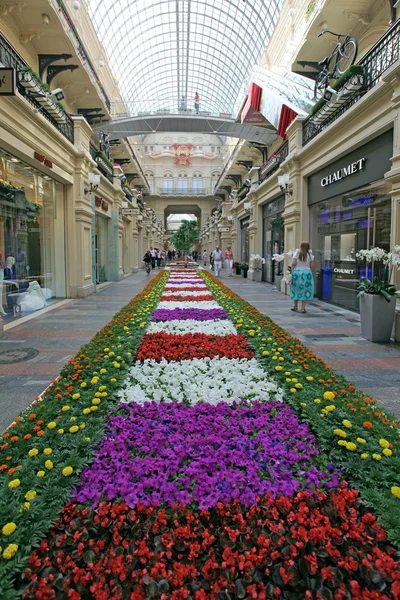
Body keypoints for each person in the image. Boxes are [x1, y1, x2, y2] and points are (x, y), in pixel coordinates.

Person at [290, 241, 315, 313]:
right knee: (305, 290)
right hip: (307, 273)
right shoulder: (310, 254)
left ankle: (295, 306)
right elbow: (312, 265)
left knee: (296, 289)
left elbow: (293, 263)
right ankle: (303, 308)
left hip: (297, 273)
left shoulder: (296, 253)